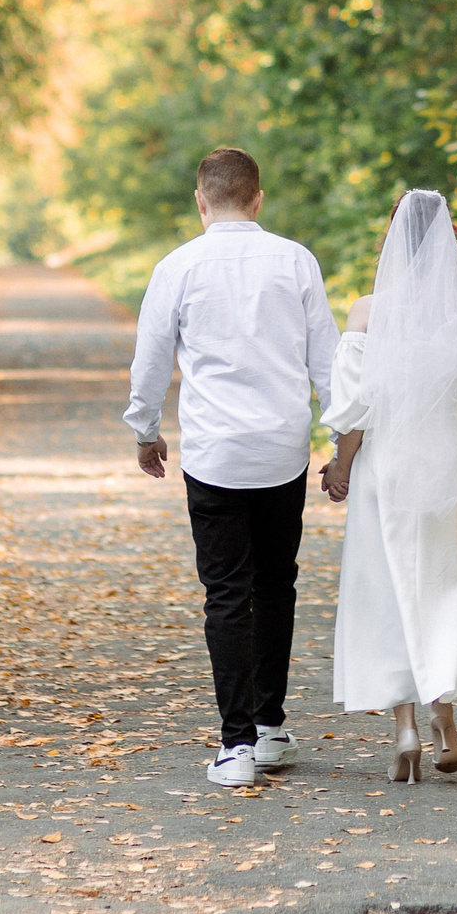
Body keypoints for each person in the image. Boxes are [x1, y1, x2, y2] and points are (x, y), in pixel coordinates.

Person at [126, 147, 340, 787]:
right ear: (257, 199)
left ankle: (236, 744)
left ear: (201, 202)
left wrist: (145, 430)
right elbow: (326, 360)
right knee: (277, 585)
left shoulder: (178, 267)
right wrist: (341, 439)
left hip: (216, 452)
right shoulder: (295, 260)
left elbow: (151, 356)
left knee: (226, 592)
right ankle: (270, 728)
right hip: (282, 450)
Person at [319, 189, 457, 782]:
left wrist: (340, 465)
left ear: (390, 245)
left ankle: (405, 726)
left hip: (388, 461)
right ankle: (447, 719)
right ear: (447, 246)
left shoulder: (367, 312)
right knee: (443, 579)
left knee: (387, 583)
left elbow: (357, 408)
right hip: (451, 460)